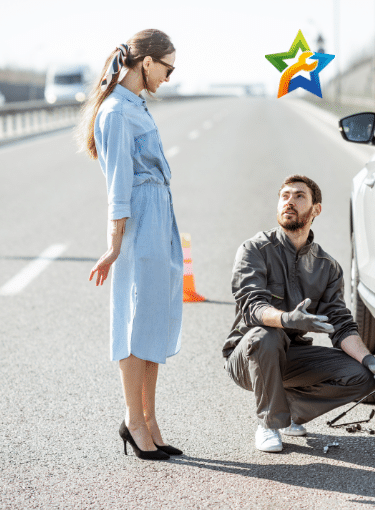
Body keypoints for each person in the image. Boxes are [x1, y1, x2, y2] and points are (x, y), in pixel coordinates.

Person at [223, 174, 375, 453]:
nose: (290, 201)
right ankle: (269, 423)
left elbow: (341, 324)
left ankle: (286, 412)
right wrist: (287, 319)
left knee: (363, 375)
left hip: (292, 356)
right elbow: (252, 308)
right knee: (267, 336)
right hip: (248, 355)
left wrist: (369, 358)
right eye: (285, 196)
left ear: (315, 210)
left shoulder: (327, 267)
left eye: (299, 196)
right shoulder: (254, 249)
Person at [78, 29, 183, 461]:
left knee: (154, 322)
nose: (170, 77)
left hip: (158, 216)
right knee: (135, 321)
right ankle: (133, 421)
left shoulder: (136, 105)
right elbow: (118, 187)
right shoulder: (117, 112)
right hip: (139, 220)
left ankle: (150, 419)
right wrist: (113, 245)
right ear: (145, 62)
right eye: (167, 67)